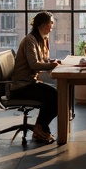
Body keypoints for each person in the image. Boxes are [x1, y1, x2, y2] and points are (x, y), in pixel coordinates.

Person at [10, 11, 61, 144]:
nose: (52, 27)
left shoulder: (42, 38)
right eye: (51, 24)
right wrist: (51, 65)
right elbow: (33, 65)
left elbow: (42, 60)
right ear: (43, 24)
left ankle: (40, 128)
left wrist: (51, 62)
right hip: (21, 87)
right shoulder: (30, 40)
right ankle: (40, 130)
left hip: (30, 83)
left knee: (56, 95)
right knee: (56, 97)